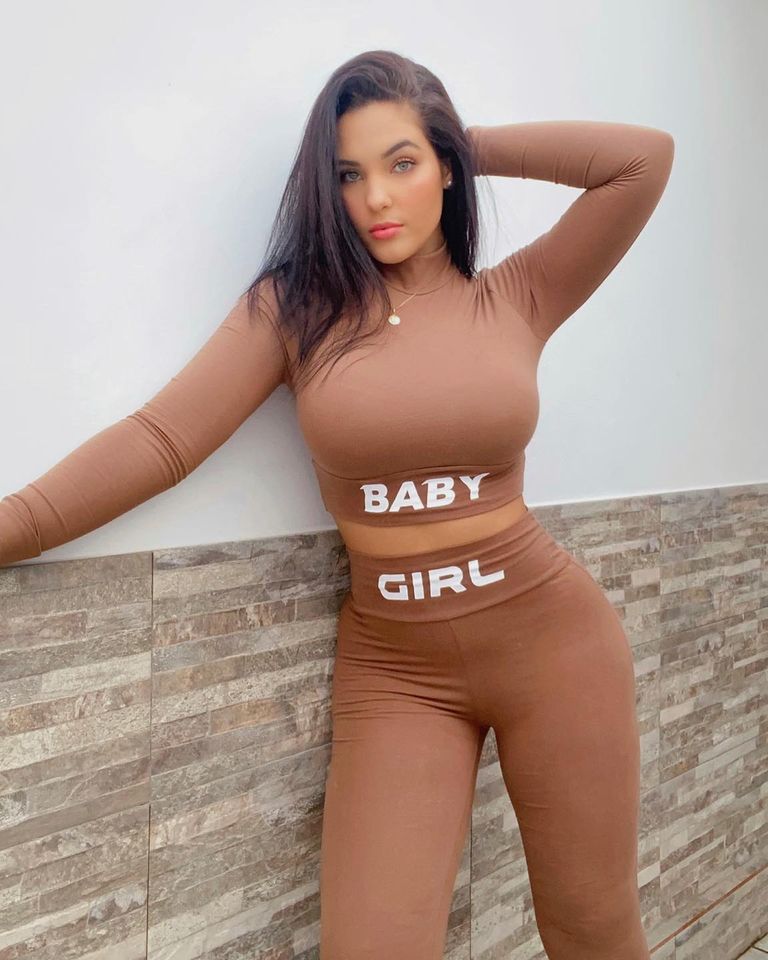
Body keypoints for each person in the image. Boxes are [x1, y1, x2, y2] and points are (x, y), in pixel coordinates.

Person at [0, 49, 674, 960]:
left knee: (593, 932)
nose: (376, 199)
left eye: (403, 164)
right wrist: (11, 527)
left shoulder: (517, 294)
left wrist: (459, 141)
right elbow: (162, 440)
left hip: (554, 646)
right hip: (398, 672)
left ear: (445, 166)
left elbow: (641, 160)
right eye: (348, 174)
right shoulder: (296, 311)